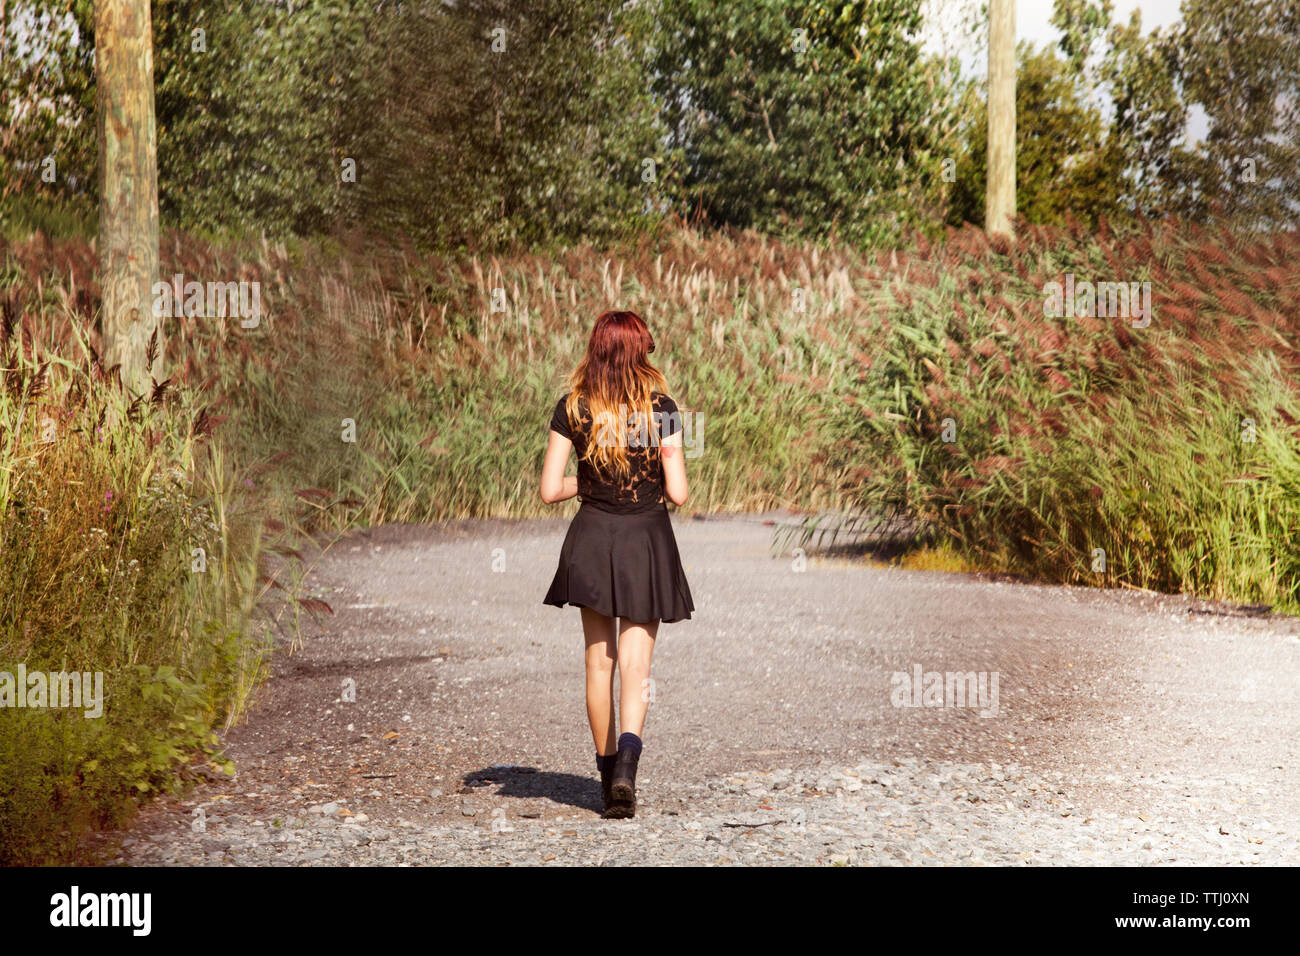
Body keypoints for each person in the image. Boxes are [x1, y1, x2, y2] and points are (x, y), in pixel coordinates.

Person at [540, 309, 694, 819]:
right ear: (638, 352)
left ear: (597, 350)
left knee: (596, 662)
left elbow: (548, 491)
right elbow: (678, 492)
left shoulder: (573, 408)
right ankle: (628, 765)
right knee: (636, 666)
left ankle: (608, 779)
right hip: (644, 540)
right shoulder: (662, 409)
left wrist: (587, 484)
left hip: (591, 539)